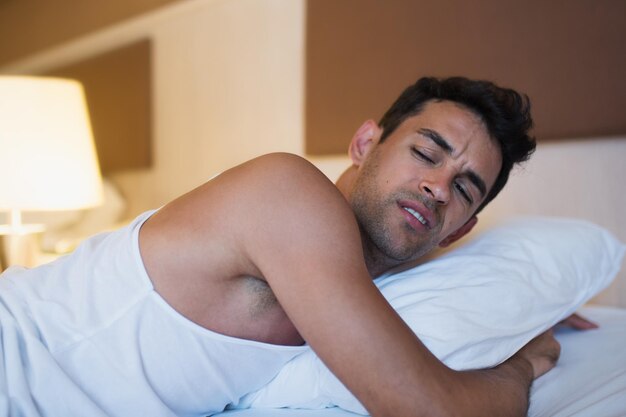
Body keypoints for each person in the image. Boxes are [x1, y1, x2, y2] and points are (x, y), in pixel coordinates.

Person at [0, 77, 587, 417]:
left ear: (458, 231)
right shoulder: (290, 194)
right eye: (426, 153)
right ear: (365, 143)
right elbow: (426, 410)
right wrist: (523, 362)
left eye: (464, 188)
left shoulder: (355, 278)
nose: (437, 186)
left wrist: (535, 305)